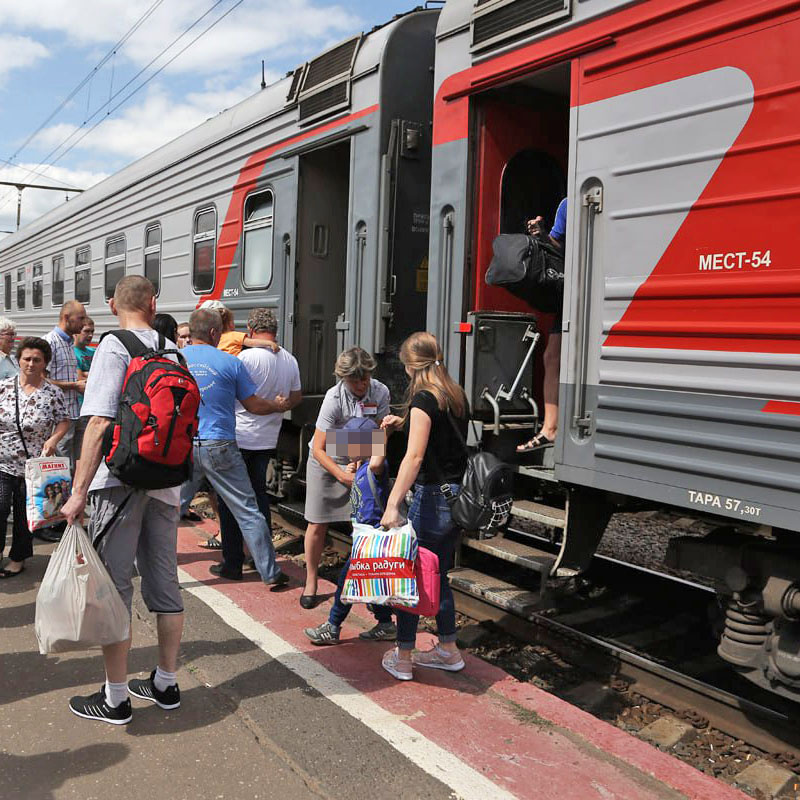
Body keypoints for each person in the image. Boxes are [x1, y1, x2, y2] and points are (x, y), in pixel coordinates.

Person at [61, 276, 184, 725]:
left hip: (120, 484)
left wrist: (77, 493)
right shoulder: (174, 350)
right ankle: (166, 683)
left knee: (115, 588)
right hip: (167, 483)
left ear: (113, 304)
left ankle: (116, 699)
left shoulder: (113, 346)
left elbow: (97, 424)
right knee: (164, 583)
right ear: (155, 303)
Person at [378, 332, 468, 681]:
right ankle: (448, 649)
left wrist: (393, 503)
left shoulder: (422, 400)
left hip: (431, 497)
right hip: (455, 495)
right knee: (439, 574)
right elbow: (441, 438)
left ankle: (403, 657)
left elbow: (414, 458)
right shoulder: (454, 394)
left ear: (410, 365)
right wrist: (405, 423)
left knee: (411, 575)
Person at [179, 308, 290, 585]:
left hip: (184, 444)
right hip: (221, 444)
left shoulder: (176, 360)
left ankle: (154, 567)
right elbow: (253, 405)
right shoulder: (231, 362)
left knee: (169, 510)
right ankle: (270, 572)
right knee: (247, 509)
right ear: (215, 333)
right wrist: (276, 406)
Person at [302, 347, 390, 609]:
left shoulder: (381, 391)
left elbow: (381, 432)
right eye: (355, 380)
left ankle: (363, 582)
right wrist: (341, 473)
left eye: (364, 379)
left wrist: (362, 460)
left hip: (361, 454)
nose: (361, 385)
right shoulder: (334, 397)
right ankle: (311, 580)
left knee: (364, 525)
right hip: (327, 459)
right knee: (317, 522)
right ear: (344, 379)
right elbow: (318, 447)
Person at [215, 308, 302, 573]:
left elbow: (232, 397)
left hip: (239, 438)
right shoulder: (289, 359)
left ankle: (233, 562)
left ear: (250, 331)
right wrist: (281, 406)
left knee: (231, 502)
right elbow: (296, 397)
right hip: (267, 440)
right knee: (259, 498)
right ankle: (258, 556)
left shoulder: (244, 358)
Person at [304, 417, 397, 644]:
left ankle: (332, 627)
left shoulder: (377, 467)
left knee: (347, 581)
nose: (345, 449)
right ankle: (386, 624)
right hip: (363, 536)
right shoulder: (362, 468)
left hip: (373, 537)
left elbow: (376, 464)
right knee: (372, 581)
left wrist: (382, 437)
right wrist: (353, 469)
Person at [0, 336, 69, 578]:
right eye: (26, 358)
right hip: (2, 461)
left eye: (36, 360)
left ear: (45, 363)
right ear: (18, 360)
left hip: (33, 465)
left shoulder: (52, 392)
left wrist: (53, 440)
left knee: (24, 513)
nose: (31, 363)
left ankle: (18, 558)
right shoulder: (4, 387)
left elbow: (63, 419)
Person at [517, 197, 566, 453]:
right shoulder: (568, 204)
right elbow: (558, 244)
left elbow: (413, 457)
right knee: (552, 357)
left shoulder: (380, 395)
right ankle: (551, 428)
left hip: (584, 289)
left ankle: (552, 428)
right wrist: (543, 235)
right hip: (572, 292)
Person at [43, 300, 87, 470]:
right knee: (61, 466)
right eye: (80, 318)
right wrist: (74, 386)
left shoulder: (69, 344)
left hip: (74, 413)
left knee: (74, 465)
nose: (83, 323)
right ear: (67, 317)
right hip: (58, 416)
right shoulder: (50, 342)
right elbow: (43, 380)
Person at [199, 300, 280, 357]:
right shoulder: (234, 336)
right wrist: (269, 343)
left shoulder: (204, 343)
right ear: (229, 322)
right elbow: (252, 343)